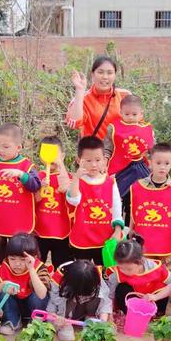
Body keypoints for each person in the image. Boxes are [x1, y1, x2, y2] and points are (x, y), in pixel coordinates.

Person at [0, 123, 41, 259]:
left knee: (19, 253)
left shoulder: (26, 166)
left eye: (5, 147)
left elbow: (35, 185)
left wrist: (21, 174)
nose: (0, 150)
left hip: (19, 219)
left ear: (18, 147)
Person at [67, 136, 124, 264]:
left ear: (104, 160)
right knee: (82, 273)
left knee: (106, 274)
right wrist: (76, 178)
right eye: (88, 160)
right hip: (82, 238)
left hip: (105, 238)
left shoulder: (110, 182)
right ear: (79, 160)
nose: (93, 164)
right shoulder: (77, 182)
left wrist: (118, 230)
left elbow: (117, 209)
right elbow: (74, 200)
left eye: (98, 160)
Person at [104, 95, 154, 224]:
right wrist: (104, 161)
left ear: (141, 114)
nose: (131, 117)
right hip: (121, 169)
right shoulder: (113, 128)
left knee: (142, 198)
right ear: (120, 112)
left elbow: (152, 150)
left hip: (141, 168)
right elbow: (107, 148)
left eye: (134, 114)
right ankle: (118, 227)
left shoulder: (147, 129)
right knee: (117, 199)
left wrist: (154, 164)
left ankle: (137, 228)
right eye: (127, 114)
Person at [129, 143, 171, 260]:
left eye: (166, 163)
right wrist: (130, 231)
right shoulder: (137, 186)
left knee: (166, 276)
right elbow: (134, 211)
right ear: (150, 162)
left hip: (167, 239)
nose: (162, 167)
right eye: (158, 163)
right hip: (143, 239)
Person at [0, 233, 50, 335]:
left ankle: (37, 322)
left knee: (37, 294)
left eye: (23, 260)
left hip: (34, 305)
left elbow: (42, 295)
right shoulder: (5, 267)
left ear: (33, 257)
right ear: (7, 257)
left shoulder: (39, 267)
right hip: (15, 306)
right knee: (3, 291)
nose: (17, 264)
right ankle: (12, 321)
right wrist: (3, 285)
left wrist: (31, 269)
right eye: (12, 259)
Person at [66, 56, 131, 140]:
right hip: (93, 151)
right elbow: (73, 124)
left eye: (110, 73)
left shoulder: (125, 95)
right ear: (92, 74)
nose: (105, 77)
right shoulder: (82, 99)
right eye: (100, 72)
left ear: (115, 75)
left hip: (121, 150)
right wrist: (79, 90)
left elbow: (137, 122)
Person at [107, 237, 171, 316]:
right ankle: (129, 314)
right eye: (121, 268)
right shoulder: (117, 273)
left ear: (140, 261)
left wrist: (156, 296)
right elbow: (110, 296)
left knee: (162, 286)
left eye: (129, 269)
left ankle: (157, 314)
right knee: (121, 288)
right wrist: (110, 314)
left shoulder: (154, 268)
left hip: (152, 298)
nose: (124, 271)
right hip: (133, 299)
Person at [47, 260, 112, 341]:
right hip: (67, 314)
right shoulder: (59, 280)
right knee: (67, 337)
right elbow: (52, 304)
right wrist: (55, 319)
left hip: (89, 308)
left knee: (99, 295)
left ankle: (91, 317)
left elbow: (105, 299)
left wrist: (103, 320)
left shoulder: (93, 275)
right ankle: (66, 323)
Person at [34, 136, 72, 267]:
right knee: (38, 265)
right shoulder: (38, 177)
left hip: (62, 232)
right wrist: (40, 188)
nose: (53, 158)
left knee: (63, 268)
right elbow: (35, 200)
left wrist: (60, 164)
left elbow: (69, 191)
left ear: (63, 155)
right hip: (39, 231)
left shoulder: (69, 177)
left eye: (56, 154)